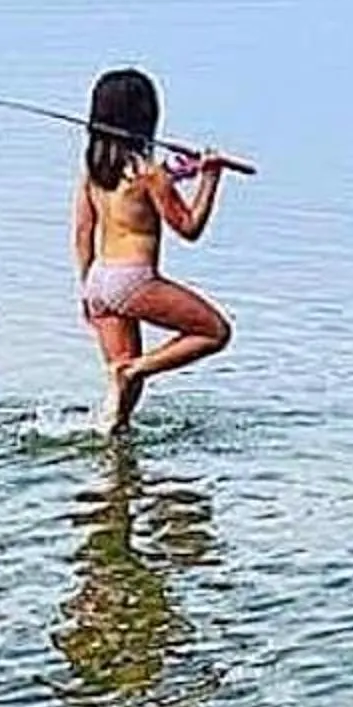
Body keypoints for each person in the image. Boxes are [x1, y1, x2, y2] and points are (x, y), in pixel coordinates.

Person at [72, 68, 233, 435]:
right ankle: (134, 368)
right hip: (132, 280)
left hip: (98, 280)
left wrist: (86, 289)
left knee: (124, 397)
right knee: (215, 332)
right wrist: (210, 179)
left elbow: (84, 230)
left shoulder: (94, 170)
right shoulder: (150, 174)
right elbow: (189, 227)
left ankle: (115, 449)